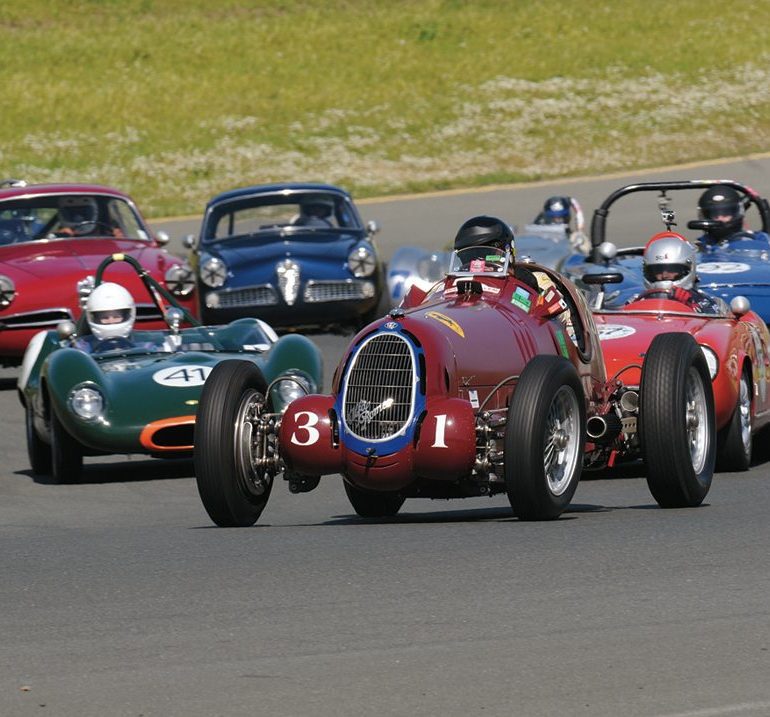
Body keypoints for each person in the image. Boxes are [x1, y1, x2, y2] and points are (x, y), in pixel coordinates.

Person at [635, 231, 727, 314]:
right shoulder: (637, 300)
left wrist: (689, 306)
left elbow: (717, 324)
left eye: (671, 270)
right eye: (657, 270)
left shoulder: (706, 302)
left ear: (688, 269)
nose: (664, 275)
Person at [695, 184, 770, 247]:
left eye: (725, 213)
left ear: (737, 212)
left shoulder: (759, 239)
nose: (720, 218)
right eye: (714, 214)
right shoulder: (699, 246)